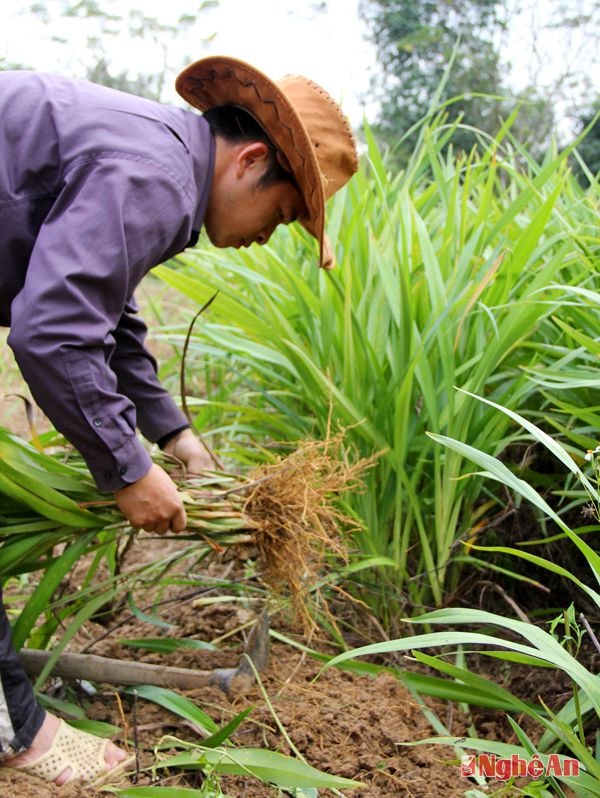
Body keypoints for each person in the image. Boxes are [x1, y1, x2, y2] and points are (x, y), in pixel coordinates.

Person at [0, 56, 358, 786]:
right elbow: (55, 332)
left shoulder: (159, 159)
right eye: (285, 213)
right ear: (252, 160)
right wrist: (126, 470)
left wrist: (173, 435)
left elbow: (107, 311)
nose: (270, 234)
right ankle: (19, 731)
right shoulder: (154, 175)